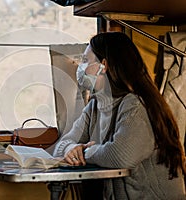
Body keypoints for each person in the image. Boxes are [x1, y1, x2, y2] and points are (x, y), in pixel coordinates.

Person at [53, 32, 186, 200]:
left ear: (104, 65)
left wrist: (85, 151)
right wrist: (70, 149)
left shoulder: (136, 105)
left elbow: (120, 156)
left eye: (86, 61)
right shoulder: (95, 106)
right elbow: (61, 146)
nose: (80, 67)